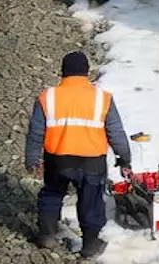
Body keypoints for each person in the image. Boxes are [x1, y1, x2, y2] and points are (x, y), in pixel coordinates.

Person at [25, 51, 132, 257]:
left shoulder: (48, 97)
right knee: (91, 201)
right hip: (92, 162)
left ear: (63, 72)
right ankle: (90, 246)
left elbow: (35, 132)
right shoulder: (103, 98)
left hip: (57, 160)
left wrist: (32, 160)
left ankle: (47, 235)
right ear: (86, 72)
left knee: (52, 194)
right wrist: (124, 157)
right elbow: (116, 132)